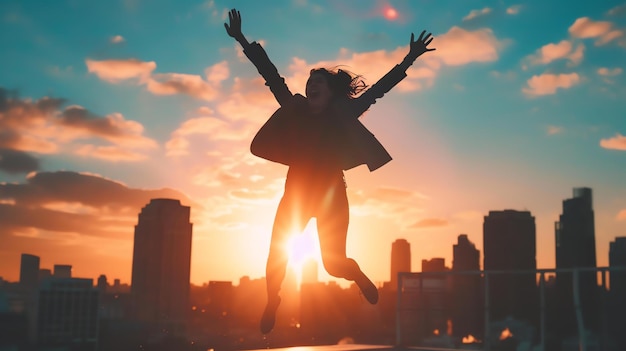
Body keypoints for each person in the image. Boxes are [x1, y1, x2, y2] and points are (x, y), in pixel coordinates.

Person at [224, 8, 435, 334]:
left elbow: (378, 90)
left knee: (334, 264)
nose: (311, 86)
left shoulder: (345, 111)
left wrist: (409, 60)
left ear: (331, 91)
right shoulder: (294, 109)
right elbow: (270, 75)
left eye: (318, 82)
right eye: (309, 82)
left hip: (332, 196)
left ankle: (358, 276)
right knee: (275, 258)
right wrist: (241, 39)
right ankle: (272, 300)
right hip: (295, 196)